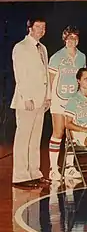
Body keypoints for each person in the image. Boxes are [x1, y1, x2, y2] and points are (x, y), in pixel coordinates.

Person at [11, 17, 51, 187]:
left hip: (41, 100)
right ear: (30, 28)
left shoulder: (42, 48)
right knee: (23, 138)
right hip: (27, 101)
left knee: (35, 139)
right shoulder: (20, 47)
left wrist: (48, 96)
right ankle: (20, 176)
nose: (41, 30)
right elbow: (19, 74)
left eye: (43, 27)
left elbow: (45, 74)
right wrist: (26, 97)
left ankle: (34, 172)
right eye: (38, 27)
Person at [47, 26, 86, 181]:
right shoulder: (57, 57)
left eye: (75, 38)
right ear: (64, 39)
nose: (72, 41)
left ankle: (69, 166)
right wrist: (49, 98)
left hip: (73, 100)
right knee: (58, 132)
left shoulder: (82, 56)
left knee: (72, 133)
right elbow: (50, 79)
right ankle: (53, 168)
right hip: (58, 98)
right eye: (69, 38)